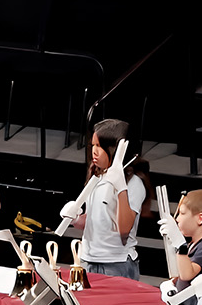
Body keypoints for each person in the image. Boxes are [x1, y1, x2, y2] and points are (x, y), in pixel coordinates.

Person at [59, 119, 150, 281]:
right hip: (88, 260)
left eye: (100, 146)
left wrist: (120, 188)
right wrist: (76, 219)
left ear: (115, 149)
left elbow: (124, 230)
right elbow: (93, 221)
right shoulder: (97, 176)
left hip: (116, 264)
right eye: (92, 145)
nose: (94, 151)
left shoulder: (134, 184)